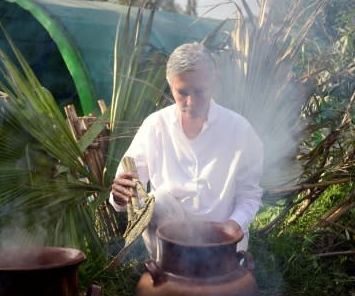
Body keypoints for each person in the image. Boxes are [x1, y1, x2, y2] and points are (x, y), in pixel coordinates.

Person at [109, 42, 264, 260]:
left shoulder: (240, 130)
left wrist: (232, 226)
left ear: (214, 81)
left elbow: (250, 195)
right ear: (170, 85)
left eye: (199, 92)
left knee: (225, 290)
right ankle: (166, 268)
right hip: (170, 238)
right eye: (182, 93)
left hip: (223, 238)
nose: (190, 102)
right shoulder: (155, 126)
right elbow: (127, 194)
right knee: (158, 200)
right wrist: (120, 197)